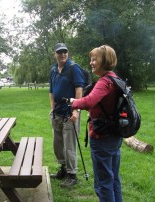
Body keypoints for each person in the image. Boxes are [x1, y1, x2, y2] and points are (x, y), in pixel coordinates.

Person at [70, 45, 123, 202]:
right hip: (114, 135)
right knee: (113, 178)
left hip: (102, 138)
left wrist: (74, 102)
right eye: (91, 59)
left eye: (95, 59)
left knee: (103, 182)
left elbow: (89, 101)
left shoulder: (104, 81)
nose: (91, 62)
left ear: (105, 60)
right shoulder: (116, 79)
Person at [49, 43, 85, 187]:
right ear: (55, 54)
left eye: (65, 52)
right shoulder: (53, 69)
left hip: (70, 113)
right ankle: (63, 169)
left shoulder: (73, 68)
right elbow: (51, 91)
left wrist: (76, 110)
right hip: (57, 113)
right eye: (60, 52)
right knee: (57, 143)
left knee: (69, 145)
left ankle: (72, 175)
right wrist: (52, 107)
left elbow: (79, 89)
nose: (63, 54)